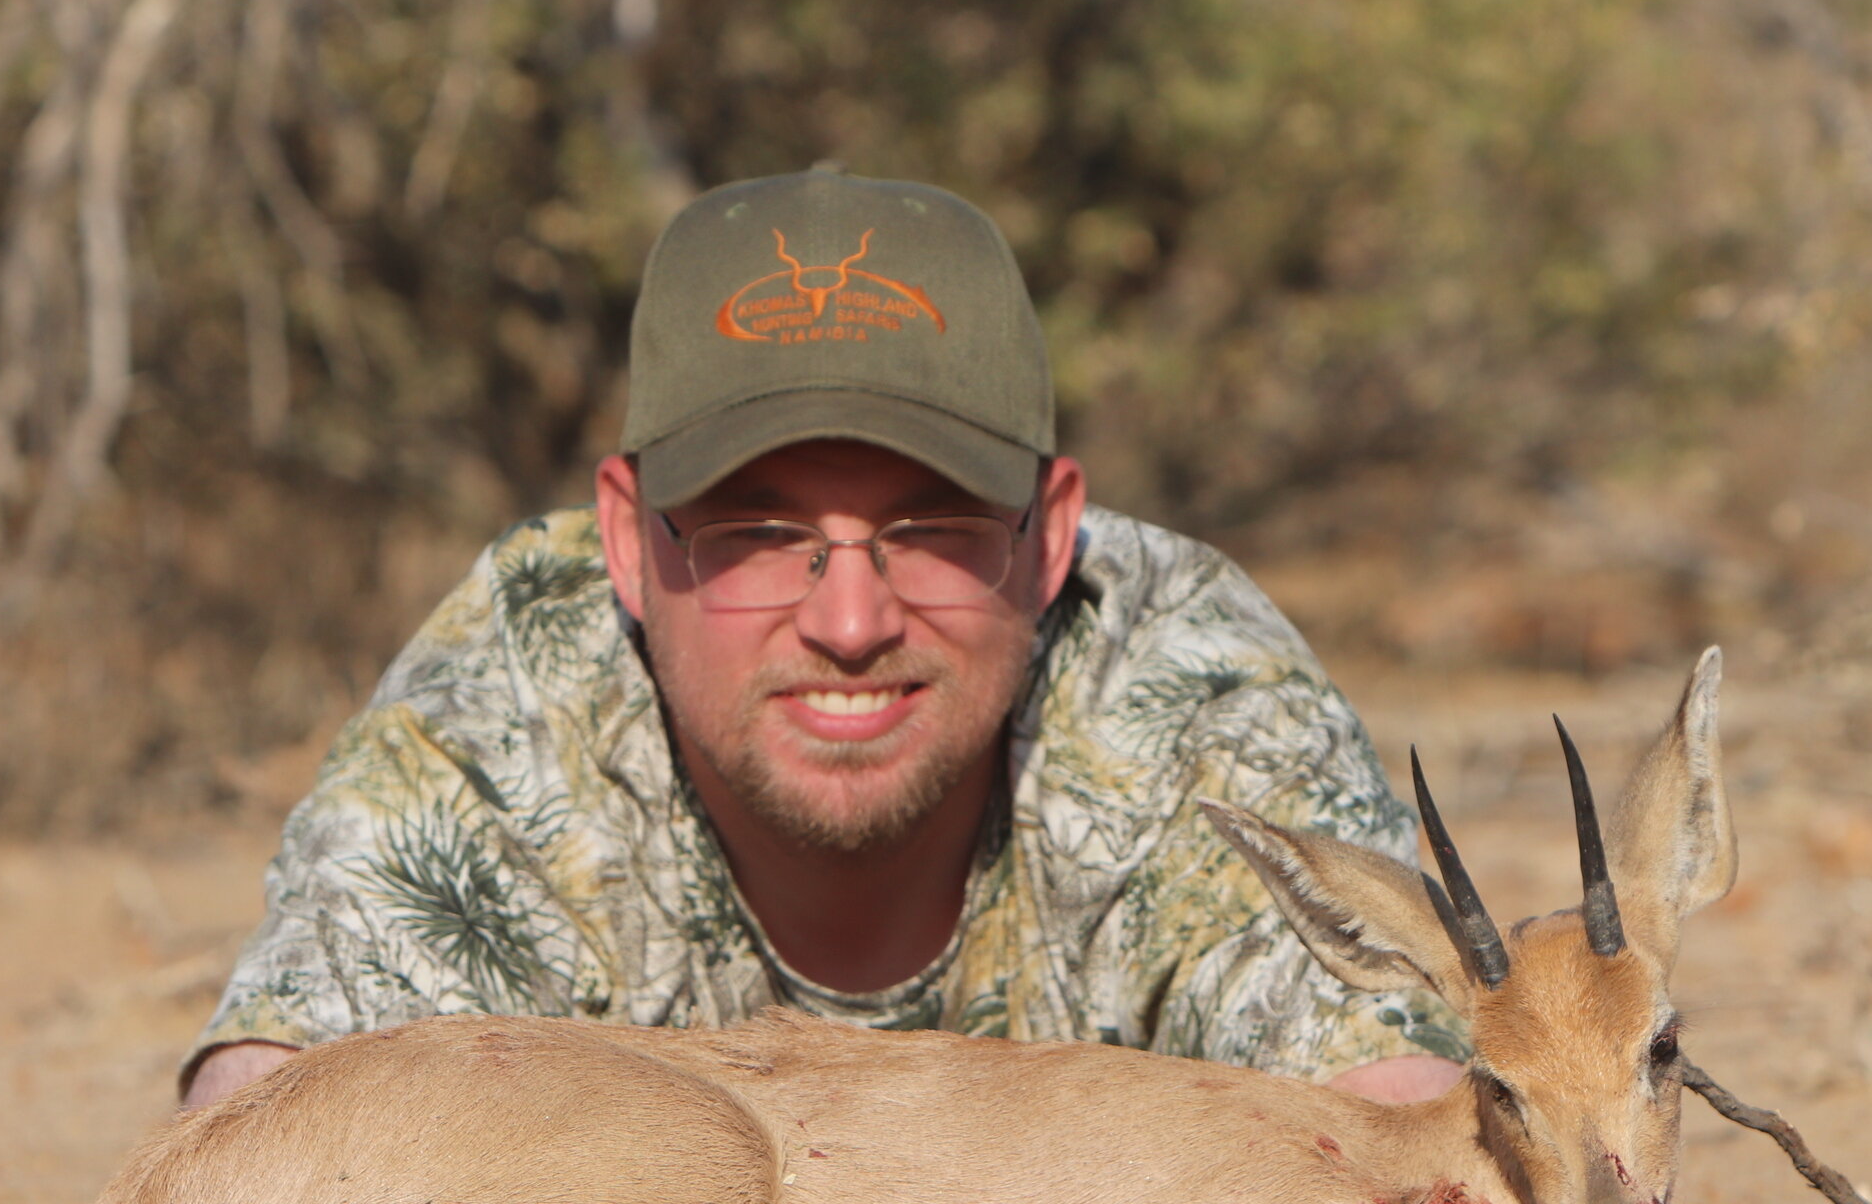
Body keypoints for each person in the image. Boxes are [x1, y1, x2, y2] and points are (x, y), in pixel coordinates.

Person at [181, 168, 1468, 1109]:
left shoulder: (1181, 677)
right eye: (751, 531)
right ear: (626, 540)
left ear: (1052, 533)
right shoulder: (516, 678)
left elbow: (1409, 1130)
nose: (850, 622)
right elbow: (249, 1144)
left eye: (933, 529)